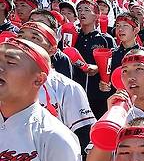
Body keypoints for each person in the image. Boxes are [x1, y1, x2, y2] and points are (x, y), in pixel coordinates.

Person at [17, 21, 96, 150]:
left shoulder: (67, 87)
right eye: (21, 36)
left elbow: (83, 136)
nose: (25, 42)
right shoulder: (5, 83)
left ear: (52, 50)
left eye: (35, 38)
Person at [71, 0, 115, 119]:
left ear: (96, 15)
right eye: (79, 10)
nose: (82, 13)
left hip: (98, 95)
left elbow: (114, 64)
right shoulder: (72, 37)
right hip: (75, 94)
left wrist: (99, 69)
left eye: (86, 10)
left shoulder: (106, 39)